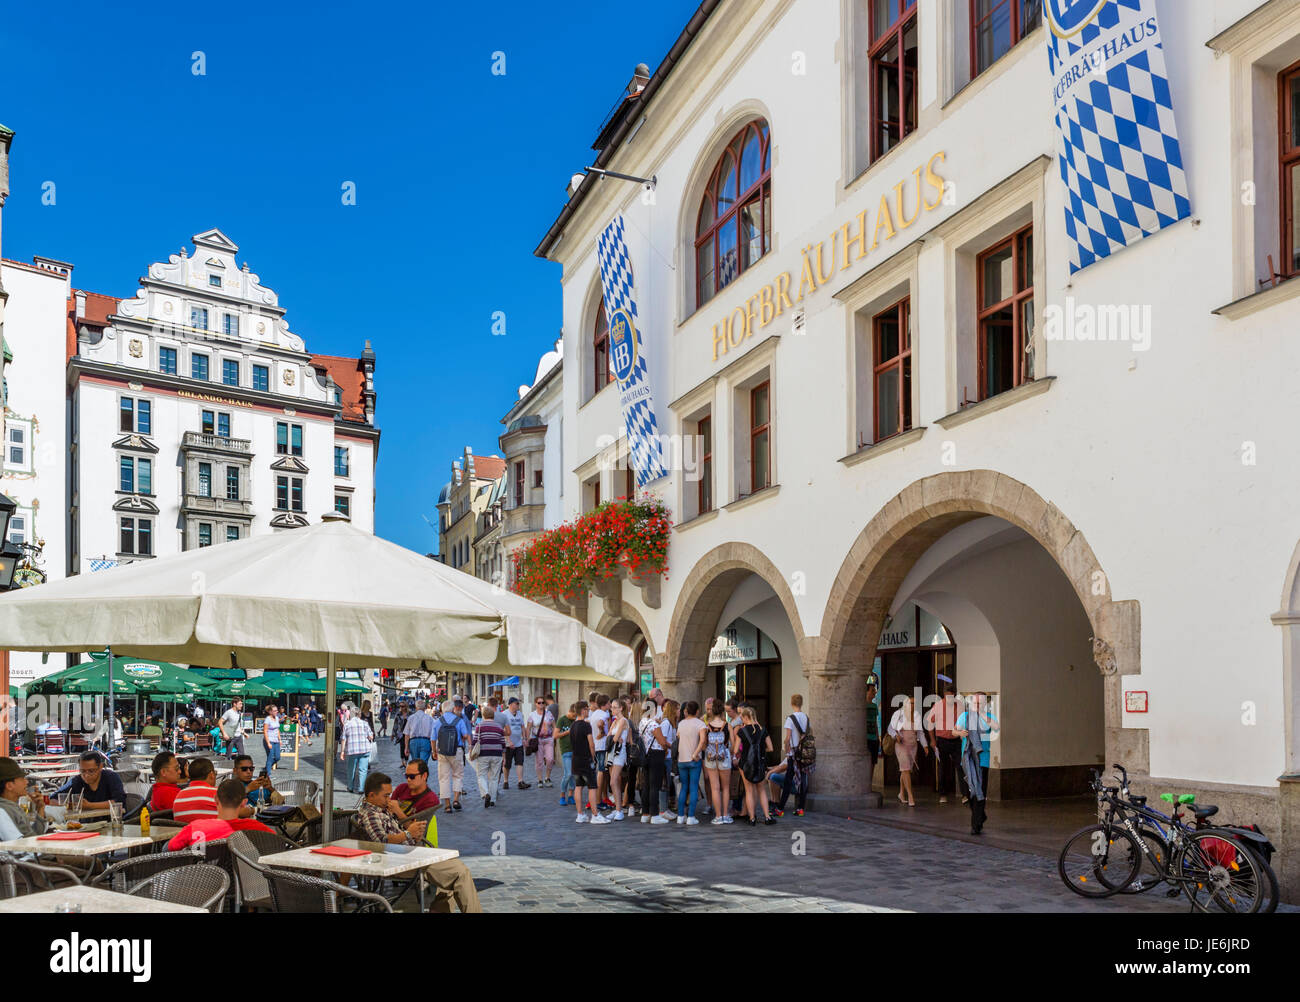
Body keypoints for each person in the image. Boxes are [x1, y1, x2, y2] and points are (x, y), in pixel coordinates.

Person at [354, 772, 482, 912]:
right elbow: (382, 841)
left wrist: (410, 830)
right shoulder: (371, 814)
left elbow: (396, 832)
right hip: (400, 861)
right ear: (371, 795)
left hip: (409, 854)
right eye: (386, 795)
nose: (389, 799)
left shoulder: (381, 809)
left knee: (453, 873)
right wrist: (408, 834)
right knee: (459, 874)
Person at [165, 778, 274, 850]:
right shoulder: (255, 827)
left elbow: (171, 847)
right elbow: (277, 842)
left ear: (216, 800)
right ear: (243, 803)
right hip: (243, 881)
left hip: (202, 881)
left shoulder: (196, 827)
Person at [954, 692, 999, 835]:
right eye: (975, 702)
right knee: (970, 792)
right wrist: (960, 733)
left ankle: (976, 825)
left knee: (980, 790)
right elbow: (954, 731)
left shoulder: (989, 717)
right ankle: (981, 816)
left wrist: (981, 713)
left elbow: (996, 727)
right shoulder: (965, 717)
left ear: (985, 703)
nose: (977, 704)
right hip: (967, 759)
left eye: (980, 702)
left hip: (983, 758)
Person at [735, 704, 775, 825]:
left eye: (742, 717)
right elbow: (771, 748)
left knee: (749, 791)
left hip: (745, 763)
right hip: (760, 764)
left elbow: (736, 750)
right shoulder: (762, 730)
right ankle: (767, 817)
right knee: (761, 790)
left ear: (746, 717)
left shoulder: (742, 731)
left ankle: (752, 818)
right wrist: (761, 750)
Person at [775, 694, 812, 817]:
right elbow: (809, 734)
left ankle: (780, 809)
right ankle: (800, 808)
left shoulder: (790, 719)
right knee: (803, 780)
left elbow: (787, 738)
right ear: (801, 703)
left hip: (794, 754)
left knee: (788, 780)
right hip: (805, 754)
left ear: (791, 703)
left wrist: (787, 751)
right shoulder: (806, 718)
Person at [925, 684, 963, 804]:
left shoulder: (960, 705)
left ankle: (965, 794)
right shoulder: (938, 706)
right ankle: (943, 794)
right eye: (947, 696)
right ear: (944, 695)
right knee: (943, 768)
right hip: (942, 740)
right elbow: (929, 723)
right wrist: (932, 740)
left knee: (961, 767)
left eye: (951, 696)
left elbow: (964, 721)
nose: (949, 699)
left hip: (957, 740)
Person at [887, 695, 928, 807]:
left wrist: (925, 745)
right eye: (911, 703)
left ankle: (901, 793)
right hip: (901, 745)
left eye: (914, 703)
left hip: (913, 745)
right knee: (905, 769)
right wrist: (896, 735)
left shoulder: (917, 715)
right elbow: (890, 728)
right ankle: (910, 796)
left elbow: (920, 732)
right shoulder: (898, 714)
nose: (913, 705)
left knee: (906, 770)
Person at [432, 699, 471, 812]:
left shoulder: (438, 721)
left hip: (442, 752)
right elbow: (465, 735)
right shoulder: (459, 721)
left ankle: (447, 805)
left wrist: (434, 751)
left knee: (443, 778)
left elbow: (433, 738)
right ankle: (456, 800)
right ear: (453, 708)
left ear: (442, 709)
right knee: (457, 775)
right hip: (457, 750)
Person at [569, 700, 605, 824]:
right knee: (592, 787)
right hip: (585, 759)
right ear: (583, 710)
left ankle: (580, 814)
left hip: (575, 759)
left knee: (578, 787)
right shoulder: (585, 725)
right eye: (587, 709)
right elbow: (591, 744)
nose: (589, 711)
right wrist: (593, 757)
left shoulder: (573, 725)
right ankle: (595, 815)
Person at [54, 752, 127, 810]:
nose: (86, 775)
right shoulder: (77, 781)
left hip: (111, 822)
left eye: (91, 771)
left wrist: (90, 805)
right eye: (83, 771)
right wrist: (68, 805)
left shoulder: (111, 777)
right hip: (85, 825)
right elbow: (52, 799)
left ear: (100, 767)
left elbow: (119, 802)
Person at [674, 700, 707, 826]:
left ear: (686, 711)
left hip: (682, 759)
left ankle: (680, 815)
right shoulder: (700, 724)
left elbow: (678, 737)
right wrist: (695, 753)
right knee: (693, 787)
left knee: (684, 788)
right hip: (694, 760)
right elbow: (703, 741)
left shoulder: (681, 723)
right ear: (698, 711)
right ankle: (691, 816)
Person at [638, 699, 671, 824]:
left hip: (646, 755)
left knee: (646, 785)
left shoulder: (642, 722)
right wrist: (669, 746)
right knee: (654, 785)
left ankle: (645, 813)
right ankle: (655, 814)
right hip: (656, 755)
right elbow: (662, 742)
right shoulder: (654, 725)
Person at [0, 757, 48, 838]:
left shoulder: (11, 806)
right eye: (22, 779)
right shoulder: (4, 811)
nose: (26, 782)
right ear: (9, 786)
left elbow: (33, 836)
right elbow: (26, 845)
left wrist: (40, 808)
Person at [702, 702, 733, 824]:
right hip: (724, 757)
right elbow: (733, 744)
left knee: (714, 788)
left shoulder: (707, 726)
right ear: (722, 712)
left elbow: (704, 745)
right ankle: (726, 815)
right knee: (725, 788)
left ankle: (718, 816)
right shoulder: (728, 725)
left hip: (710, 758)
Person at [470, 705, 505, 808]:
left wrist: (471, 751)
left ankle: (486, 794)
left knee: (481, 775)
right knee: (494, 778)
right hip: (497, 754)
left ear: (484, 715)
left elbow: (475, 740)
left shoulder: (479, 726)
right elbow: (503, 743)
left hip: (483, 754)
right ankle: (492, 799)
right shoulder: (499, 727)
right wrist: (504, 755)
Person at [172, 757, 220, 824]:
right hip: (214, 833)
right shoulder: (219, 794)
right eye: (215, 773)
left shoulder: (179, 796)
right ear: (211, 775)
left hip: (185, 833)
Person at [340, 704, 375, 795]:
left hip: (352, 750)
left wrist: (342, 752)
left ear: (351, 714)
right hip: (364, 749)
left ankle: (350, 787)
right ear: (359, 714)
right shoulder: (365, 723)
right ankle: (361, 788)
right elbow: (371, 736)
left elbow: (344, 739)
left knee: (351, 769)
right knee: (363, 770)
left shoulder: (347, 724)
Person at [605, 698, 630, 821]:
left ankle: (619, 810)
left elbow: (614, 738)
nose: (612, 709)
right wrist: (613, 737)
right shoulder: (615, 721)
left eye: (615, 707)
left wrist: (614, 737)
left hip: (619, 753)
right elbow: (609, 736)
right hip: (611, 752)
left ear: (621, 708)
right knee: (614, 782)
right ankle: (617, 809)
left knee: (613, 781)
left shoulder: (623, 721)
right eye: (612, 707)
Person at [498, 697, 529, 790]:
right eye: (517, 703)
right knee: (507, 764)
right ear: (511, 704)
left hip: (518, 742)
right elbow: (503, 729)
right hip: (508, 743)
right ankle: (505, 781)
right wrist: (509, 741)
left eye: (518, 704)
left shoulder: (520, 714)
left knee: (520, 762)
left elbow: (522, 726)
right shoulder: (504, 714)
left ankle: (520, 781)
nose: (518, 705)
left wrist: (524, 738)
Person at [525, 696, 555, 788]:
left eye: (543, 703)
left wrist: (553, 737)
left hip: (548, 739)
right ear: (535, 704)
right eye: (539, 703)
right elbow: (529, 728)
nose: (541, 704)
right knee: (539, 761)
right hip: (537, 740)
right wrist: (527, 739)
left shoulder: (549, 714)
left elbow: (554, 726)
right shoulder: (532, 715)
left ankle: (547, 777)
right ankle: (540, 780)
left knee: (550, 759)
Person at [589, 694, 611, 809]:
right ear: (605, 704)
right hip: (602, 745)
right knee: (601, 771)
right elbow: (600, 724)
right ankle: (598, 800)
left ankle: (598, 798)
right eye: (609, 703)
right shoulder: (604, 714)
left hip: (596, 745)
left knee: (600, 771)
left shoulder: (595, 713)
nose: (610, 705)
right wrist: (602, 732)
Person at [555, 703, 576, 807]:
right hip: (566, 750)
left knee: (573, 775)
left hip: (576, 751)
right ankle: (562, 795)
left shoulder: (576, 720)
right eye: (574, 715)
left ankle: (571, 795)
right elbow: (555, 735)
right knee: (567, 774)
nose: (575, 717)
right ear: (570, 711)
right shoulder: (562, 720)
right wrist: (568, 732)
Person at [404, 699, 433, 765]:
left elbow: (407, 734)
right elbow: (433, 734)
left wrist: (406, 747)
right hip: (426, 741)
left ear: (416, 707)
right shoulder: (429, 718)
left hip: (413, 741)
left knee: (415, 762)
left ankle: (417, 774)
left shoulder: (411, 718)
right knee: (423, 763)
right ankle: (422, 774)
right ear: (425, 708)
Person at [865, 683, 881, 782]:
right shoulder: (861, 706)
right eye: (872, 690)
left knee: (873, 762)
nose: (875, 692)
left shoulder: (874, 706)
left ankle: (869, 783)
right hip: (865, 738)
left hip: (873, 738)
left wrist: (877, 736)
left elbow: (875, 722)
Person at [262, 704, 282, 772]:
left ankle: (267, 767)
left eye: (277, 710)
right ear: (270, 712)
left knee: (277, 757)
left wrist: (280, 739)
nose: (277, 712)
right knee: (270, 757)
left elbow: (277, 729)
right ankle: (268, 774)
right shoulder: (267, 719)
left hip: (276, 740)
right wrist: (268, 743)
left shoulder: (276, 718)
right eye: (275, 711)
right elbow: (265, 731)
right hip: (269, 740)